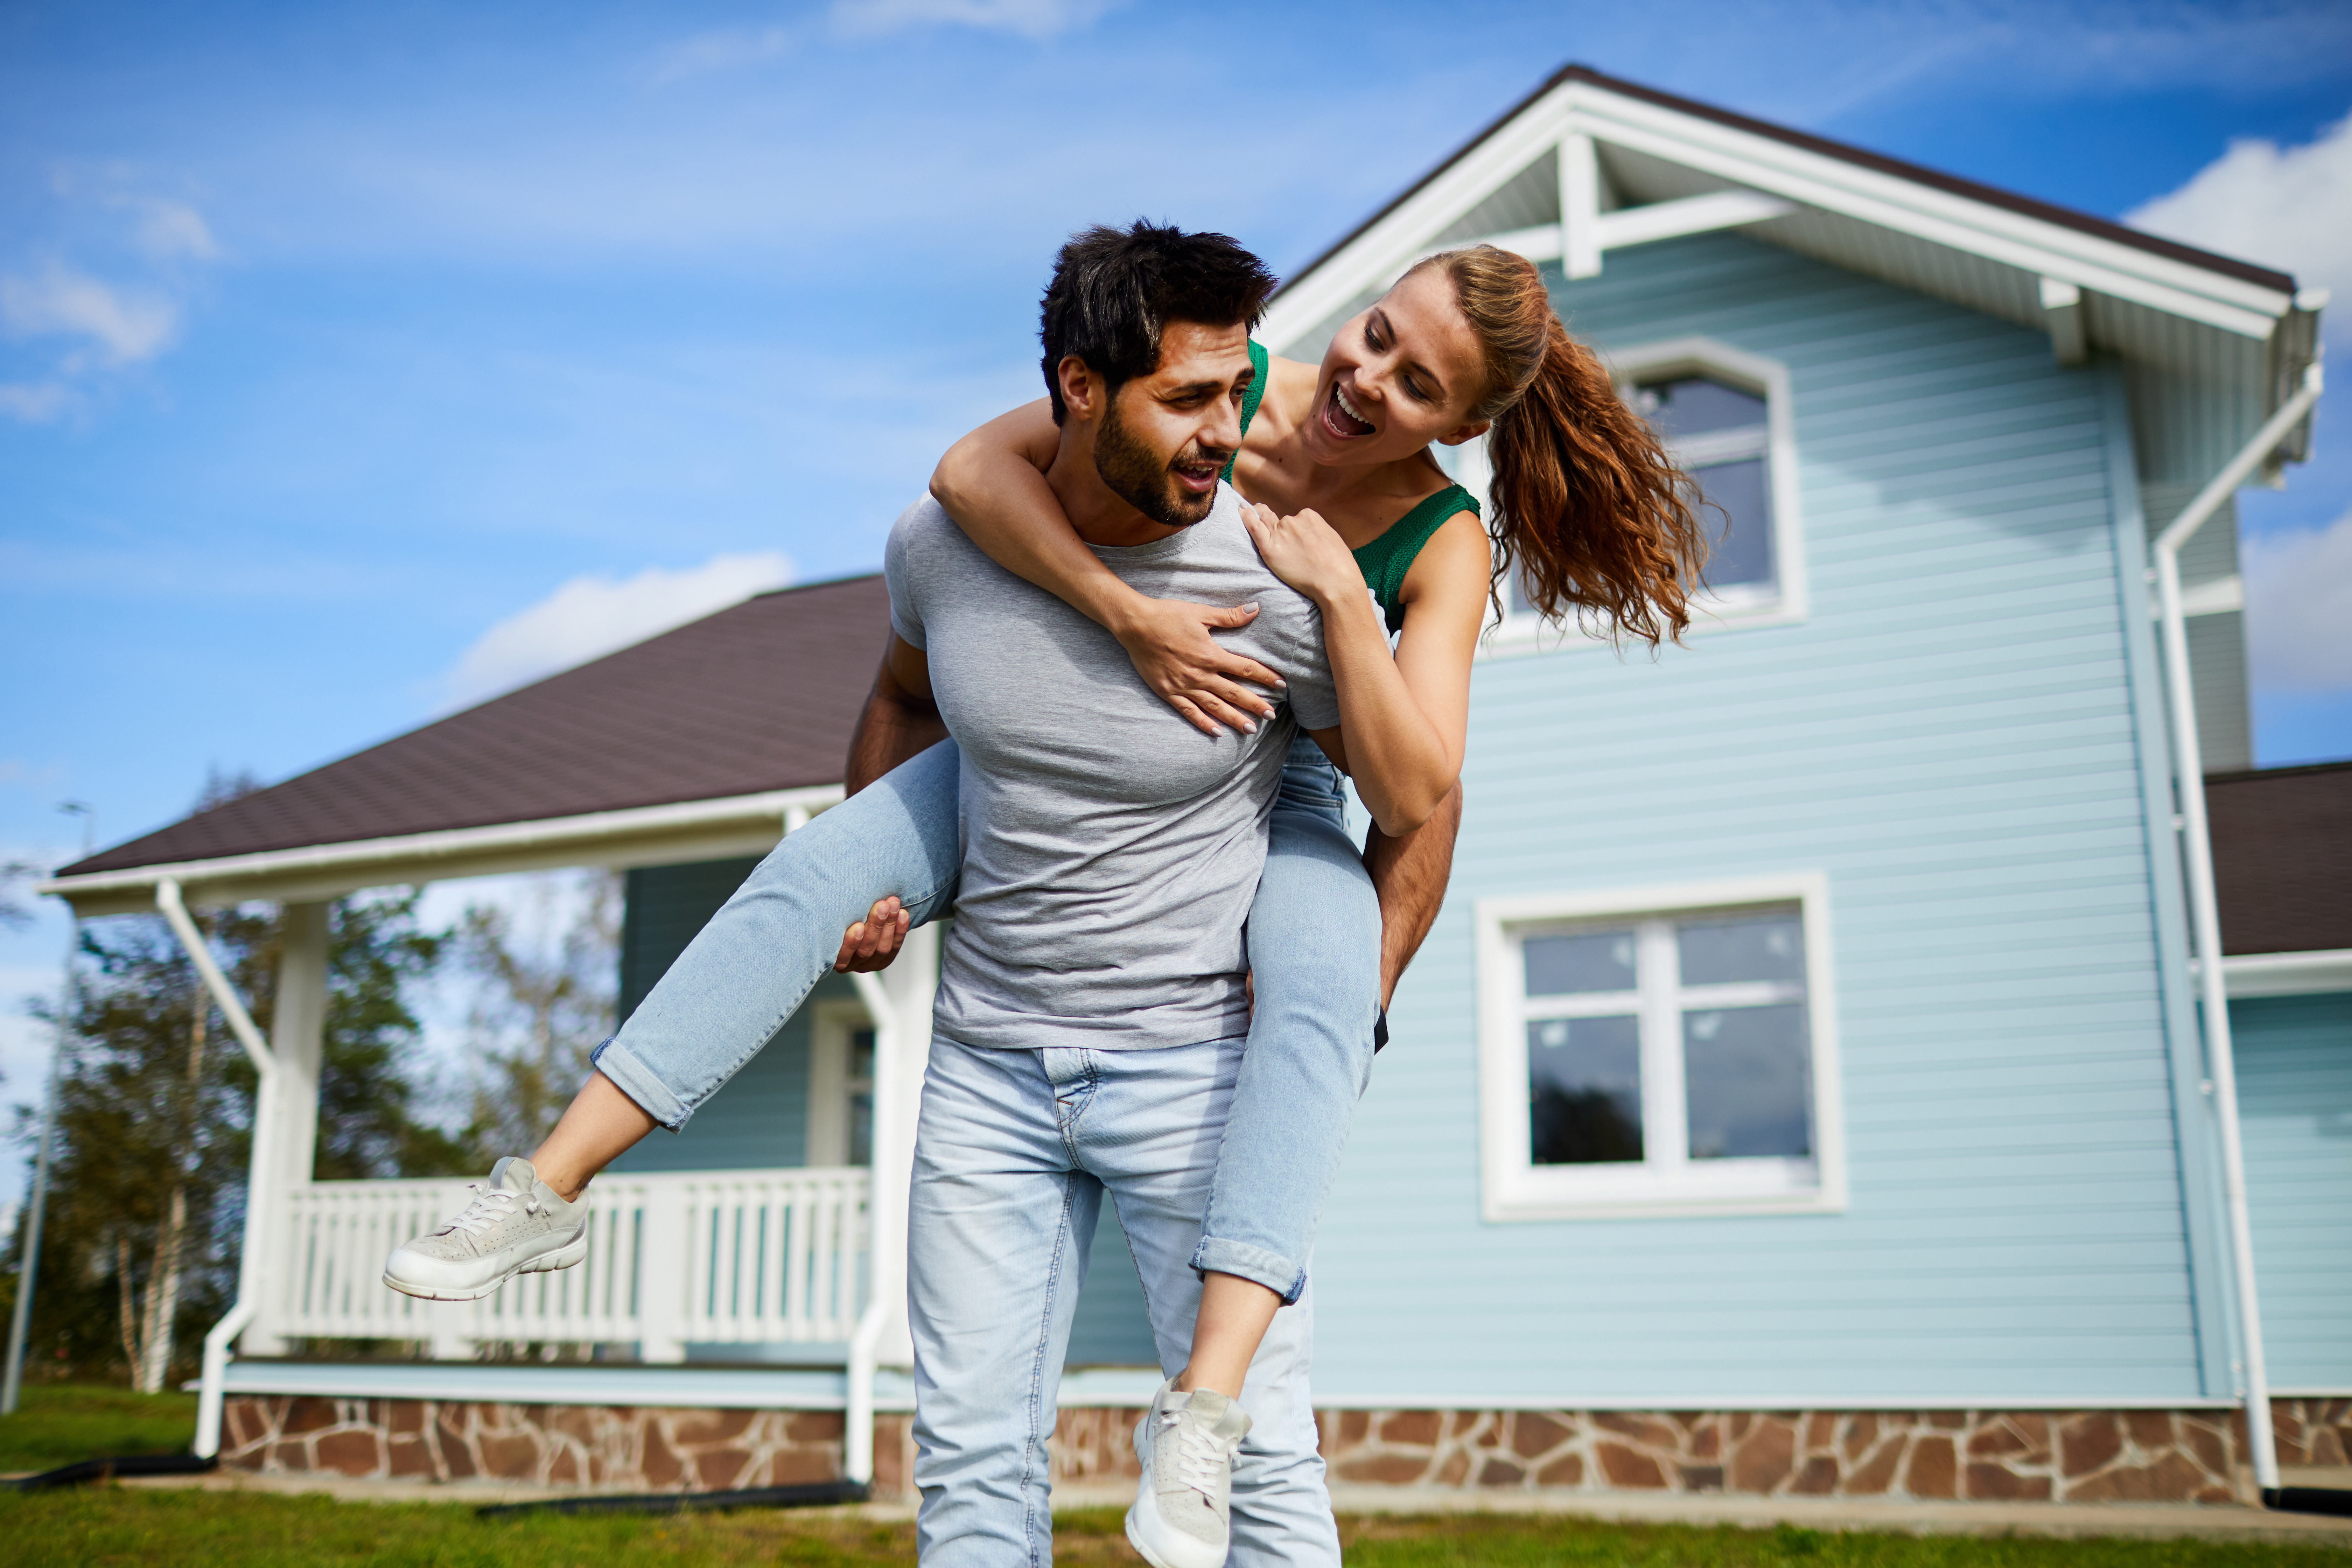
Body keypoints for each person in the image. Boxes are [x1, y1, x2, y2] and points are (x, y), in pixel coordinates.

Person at [383, 224, 1700, 1567]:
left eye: (1420, 388)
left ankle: (1210, 1397)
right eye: (1376, 335)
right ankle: (546, 1186)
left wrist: (1337, 602)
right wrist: (1125, 616)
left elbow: (1422, 795)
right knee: (812, 869)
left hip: (1288, 779)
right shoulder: (1235, 383)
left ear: (1465, 426)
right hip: (1055, 793)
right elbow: (968, 475)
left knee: (1323, 988)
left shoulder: (1438, 538)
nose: (1370, 384)